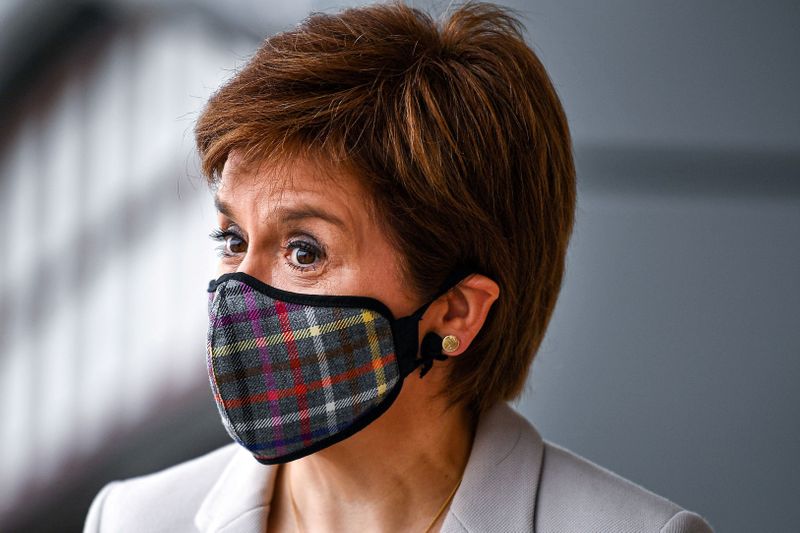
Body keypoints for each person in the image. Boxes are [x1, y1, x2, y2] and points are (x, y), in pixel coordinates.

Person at [84, 2, 713, 531]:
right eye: (231, 237)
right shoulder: (134, 520)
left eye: (305, 251)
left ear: (455, 312)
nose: (239, 290)